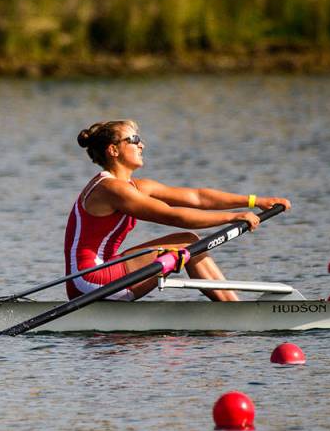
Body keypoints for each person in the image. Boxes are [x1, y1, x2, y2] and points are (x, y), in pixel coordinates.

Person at [65, 120, 290, 302]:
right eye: (134, 140)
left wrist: (255, 201)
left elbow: (197, 197)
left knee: (189, 240)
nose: (142, 145)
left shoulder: (134, 186)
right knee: (186, 243)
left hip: (104, 270)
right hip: (89, 282)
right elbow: (173, 216)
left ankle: (233, 307)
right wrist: (233, 217)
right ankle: (235, 311)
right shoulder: (111, 189)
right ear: (113, 150)